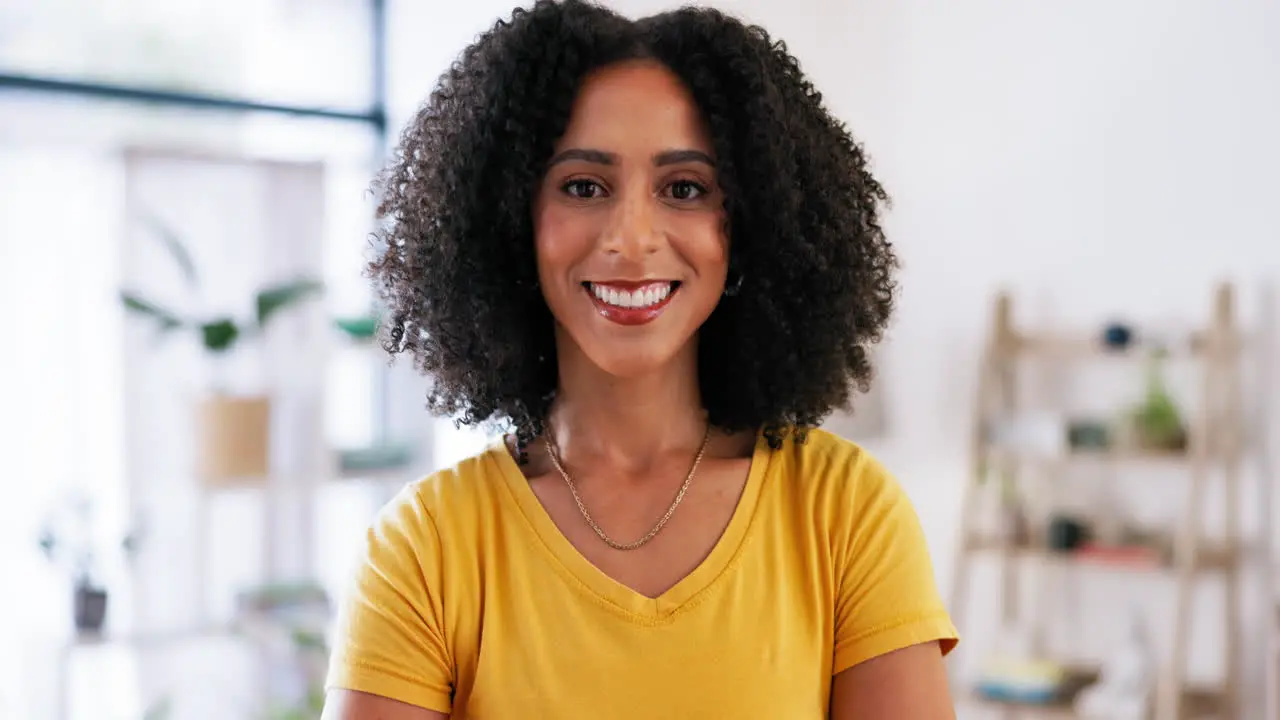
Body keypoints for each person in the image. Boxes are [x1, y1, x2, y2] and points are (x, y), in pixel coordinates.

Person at [321, 1, 959, 718]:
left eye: (684, 188)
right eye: (584, 187)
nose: (631, 238)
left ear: (749, 226)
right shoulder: (427, 549)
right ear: (511, 220)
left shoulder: (845, 514)